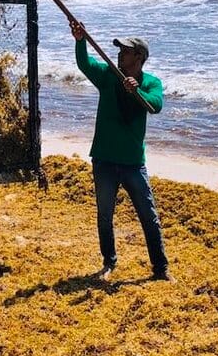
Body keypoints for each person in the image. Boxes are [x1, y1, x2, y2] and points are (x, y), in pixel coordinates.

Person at [70, 20, 172, 282]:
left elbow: (155, 105)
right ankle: (109, 263)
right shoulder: (107, 75)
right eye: (119, 50)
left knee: (148, 216)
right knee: (105, 215)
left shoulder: (151, 83)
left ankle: (160, 270)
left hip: (132, 163)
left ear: (139, 58)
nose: (119, 54)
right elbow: (85, 64)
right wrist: (80, 41)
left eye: (125, 51)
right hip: (103, 159)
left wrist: (136, 92)